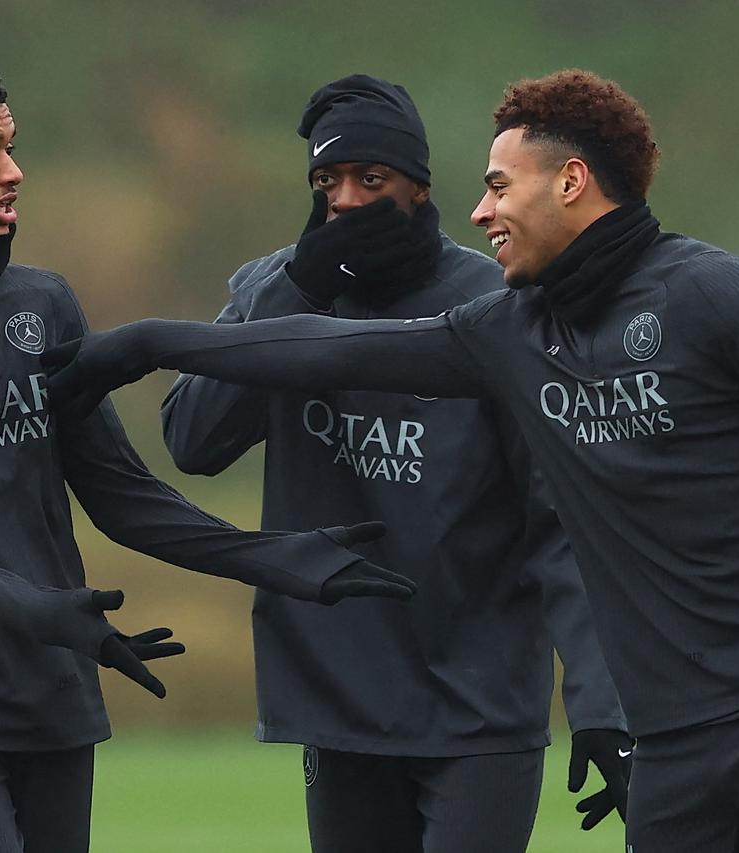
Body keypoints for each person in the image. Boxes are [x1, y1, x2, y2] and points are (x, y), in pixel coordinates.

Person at [44, 68, 739, 852]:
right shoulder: (508, 331)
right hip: (675, 729)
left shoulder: (709, 289)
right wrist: (146, 343)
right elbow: (327, 349)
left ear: (570, 182)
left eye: (498, 186)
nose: (481, 211)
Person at [0, 55, 414, 853]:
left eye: (11, 148)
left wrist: (270, 556)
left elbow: (122, 495)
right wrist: (43, 610)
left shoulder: (41, 302)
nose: (13, 171)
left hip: (55, 690)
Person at [160, 75, 629, 853]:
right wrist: (299, 290)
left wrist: (601, 701)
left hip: (478, 707)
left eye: (371, 178)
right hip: (339, 703)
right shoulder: (276, 288)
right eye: (327, 181)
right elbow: (193, 440)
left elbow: (563, 526)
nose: (346, 199)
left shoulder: (501, 306)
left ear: (419, 186)